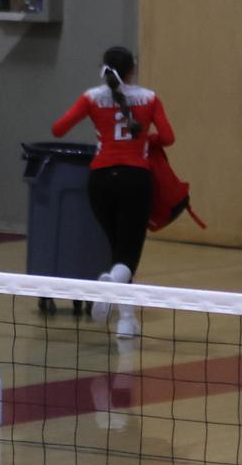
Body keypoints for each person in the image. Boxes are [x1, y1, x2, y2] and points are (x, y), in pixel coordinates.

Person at [49, 45, 173, 340]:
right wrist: (145, 139)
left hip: (100, 181)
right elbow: (168, 138)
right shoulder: (150, 98)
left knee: (119, 251)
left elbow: (58, 129)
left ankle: (127, 321)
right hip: (135, 180)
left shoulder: (91, 98)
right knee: (128, 255)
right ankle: (109, 294)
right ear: (133, 69)